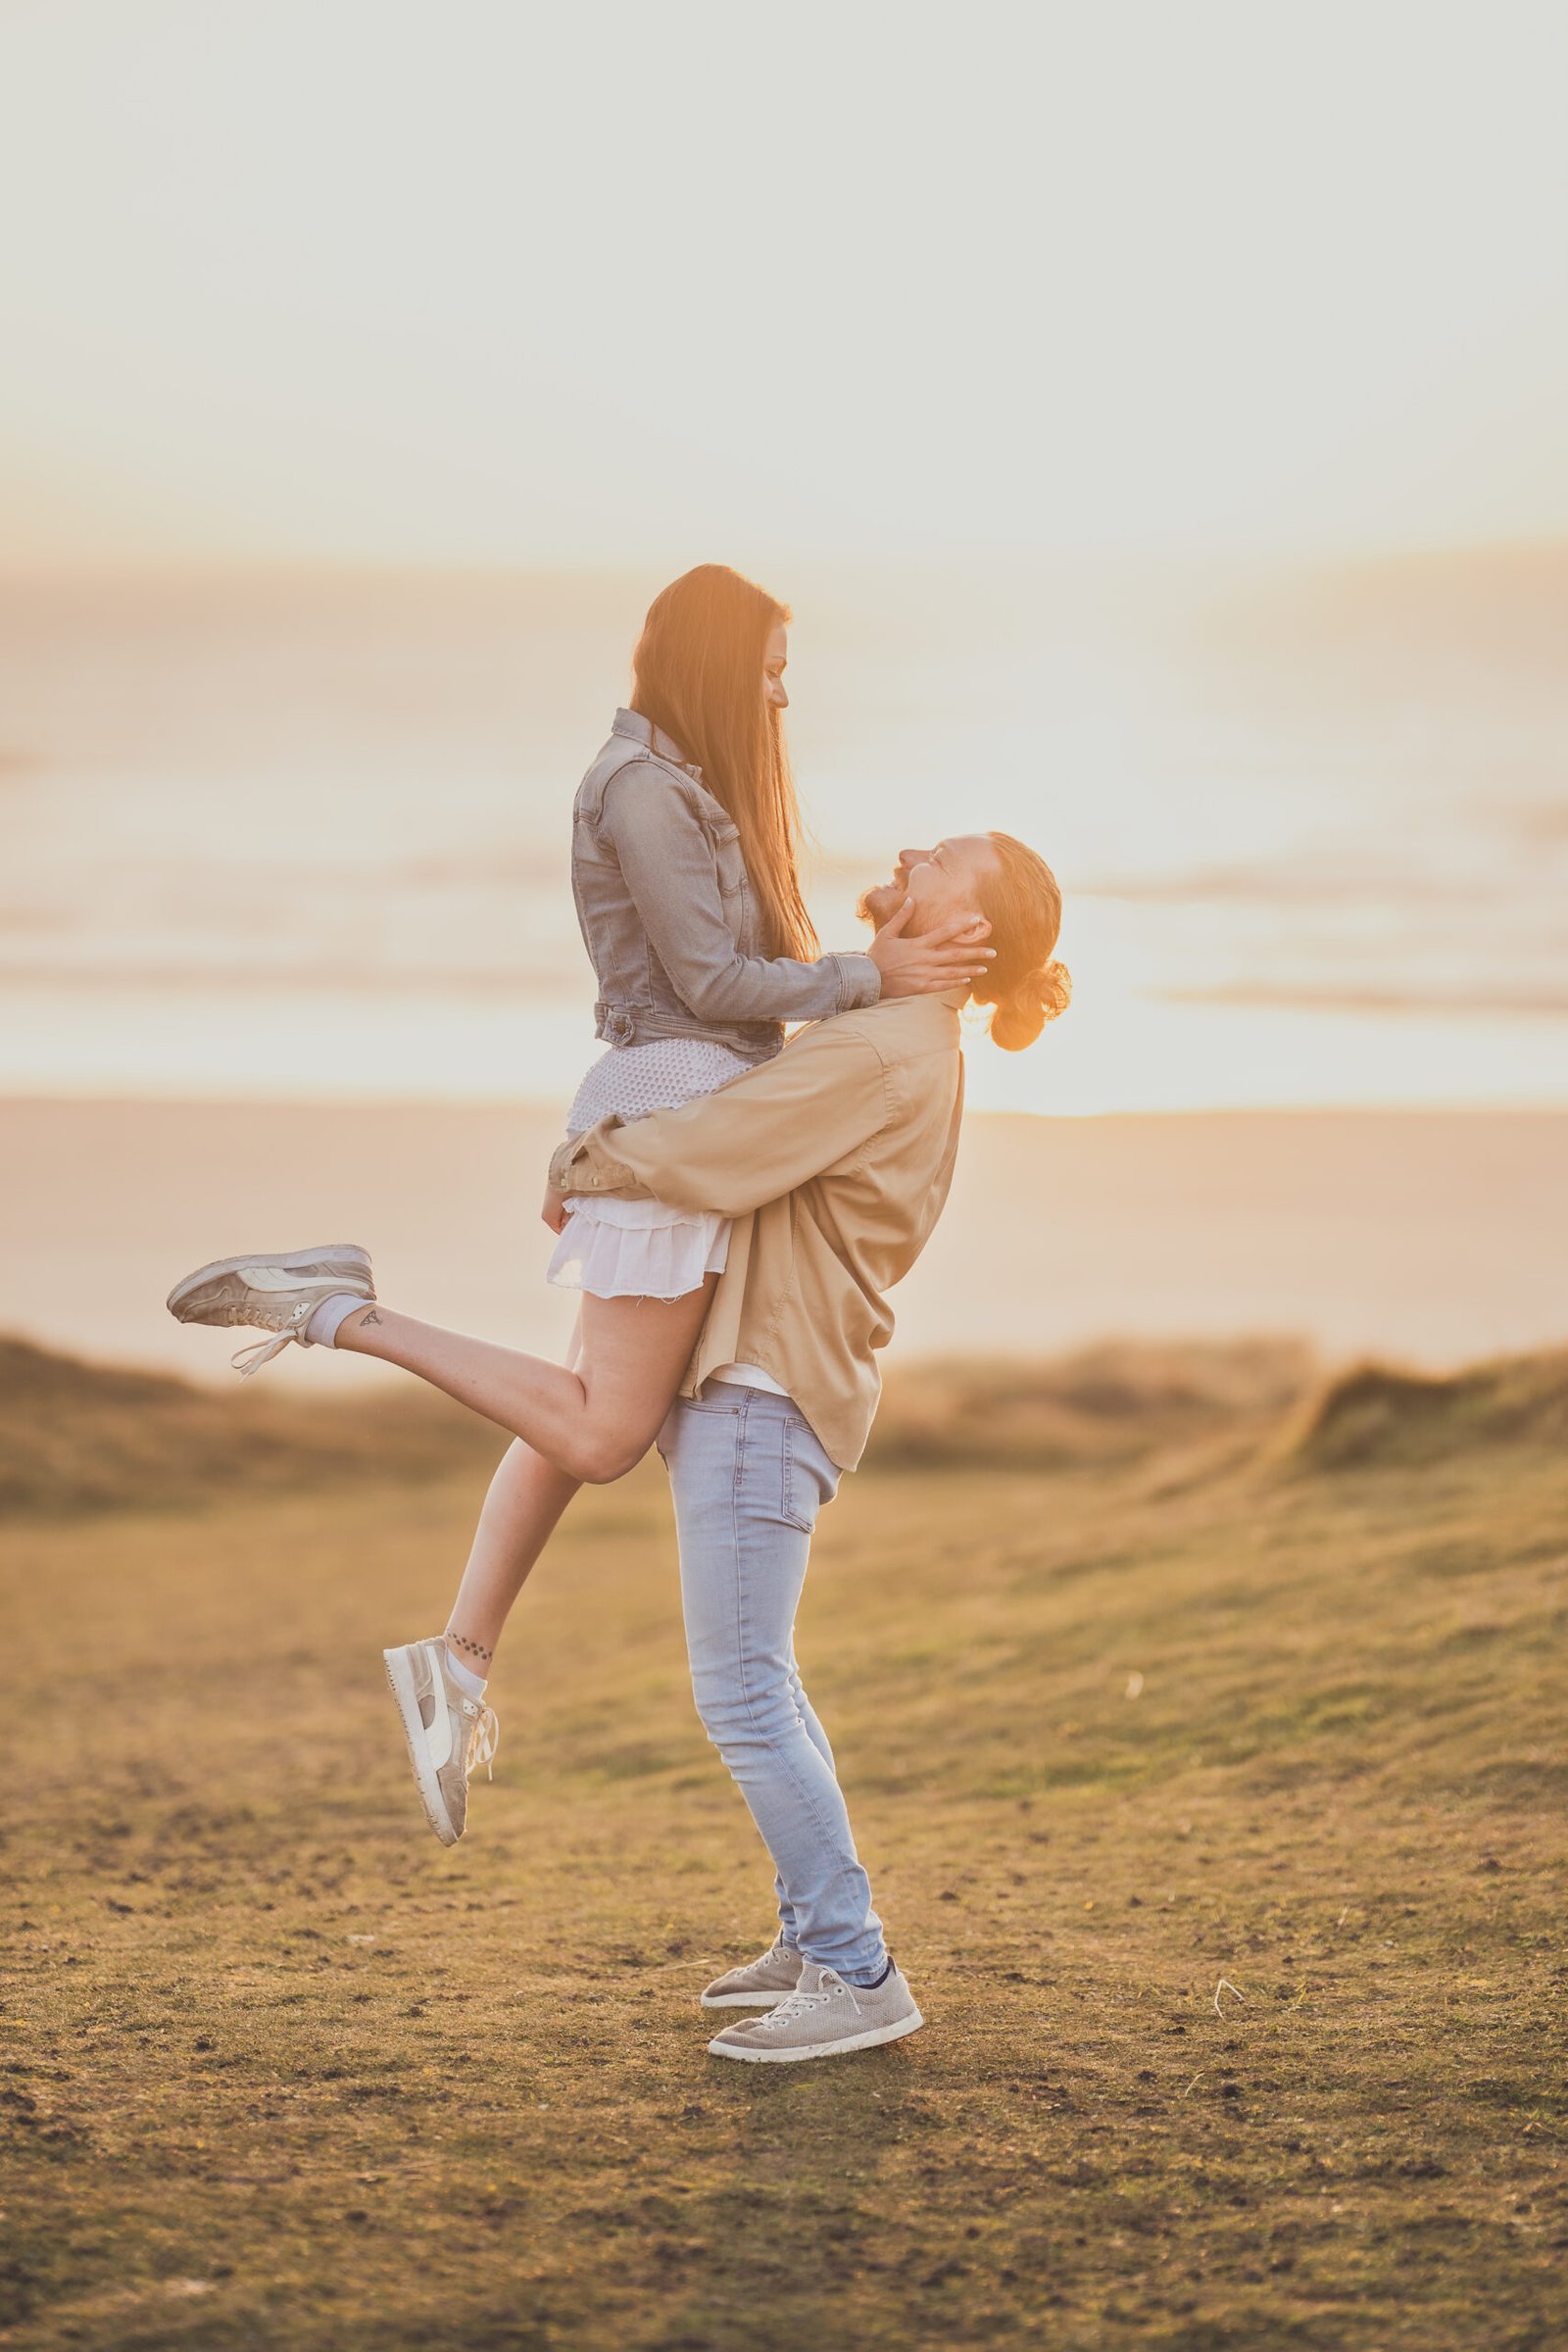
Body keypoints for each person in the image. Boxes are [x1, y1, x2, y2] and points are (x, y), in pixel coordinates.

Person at [167, 827, 1070, 2062]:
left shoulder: (884, 1048)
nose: (914, 850)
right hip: (768, 1378)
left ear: (973, 933)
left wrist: (579, 1158)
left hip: (764, 1388)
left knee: (743, 1692)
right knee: (766, 1679)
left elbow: (711, 1154)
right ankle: (817, 1934)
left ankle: (860, 1975)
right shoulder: (895, 1033)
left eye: (945, 858)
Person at [167, 564, 991, 1843]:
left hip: (678, 1128)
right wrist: (865, 972)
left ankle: (461, 1661)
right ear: (720, 664)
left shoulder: (695, 791)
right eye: (770, 676)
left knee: (572, 1419)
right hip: (670, 1118)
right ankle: (342, 1313)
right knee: (605, 1433)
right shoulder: (642, 792)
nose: (781, 703)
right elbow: (717, 983)